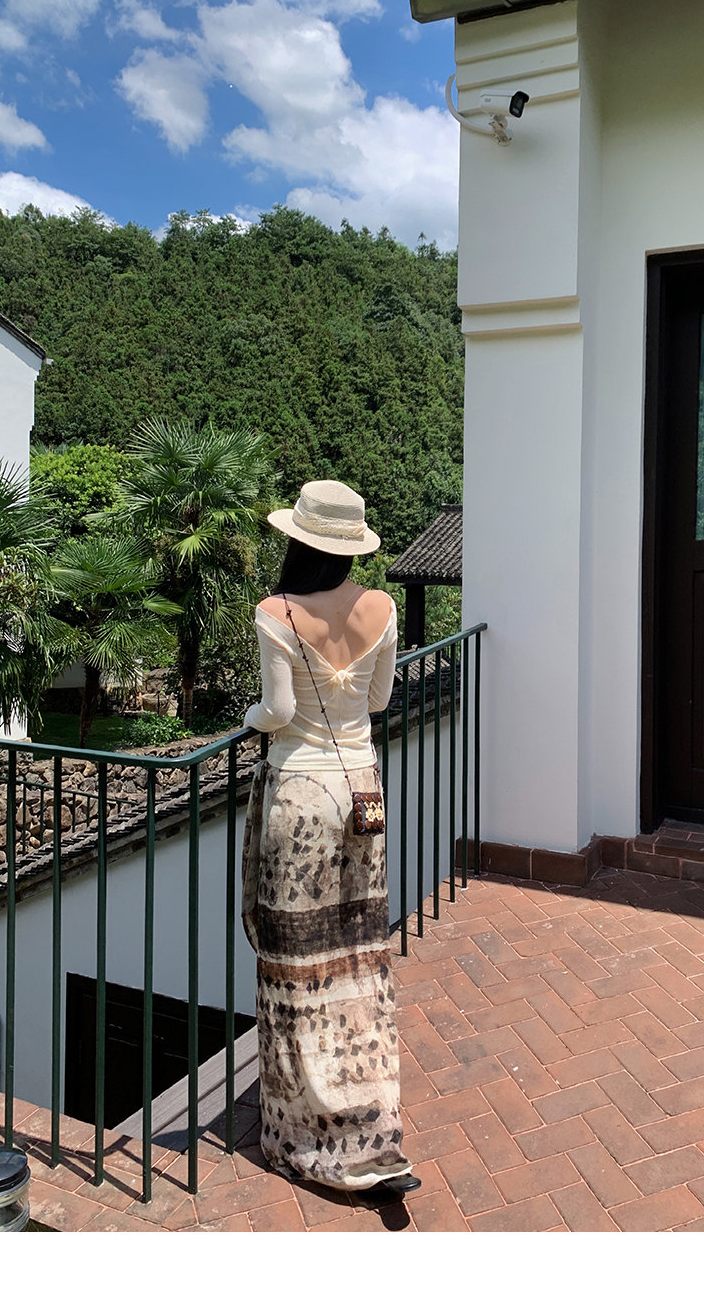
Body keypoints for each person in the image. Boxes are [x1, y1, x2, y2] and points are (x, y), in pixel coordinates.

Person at [240, 480, 420, 1199]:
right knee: (357, 953)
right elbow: (378, 700)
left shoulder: (275, 612)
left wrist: (249, 719)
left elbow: (278, 709)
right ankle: (370, 1122)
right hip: (362, 790)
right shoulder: (384, 608)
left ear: (298, 540)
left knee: (296, 963)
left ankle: (301, 1132)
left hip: (301, 798)